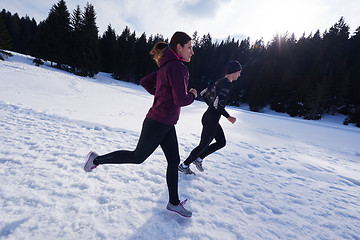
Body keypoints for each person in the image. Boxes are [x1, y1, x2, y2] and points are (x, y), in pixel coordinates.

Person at [83, 31, 197, 218]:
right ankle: (95, 160)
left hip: (166, 123)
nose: (192, 52)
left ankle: (174, 202)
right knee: (137, 157)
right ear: (179, 47)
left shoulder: (166, 66)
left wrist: (162, 96)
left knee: (174, 161)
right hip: (158, 122)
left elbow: (145, 82)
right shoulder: (178, 67)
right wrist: (192, 95)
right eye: (190, 48)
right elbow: (180, 100)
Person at [178, 60, 242, 175]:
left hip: (211, 118)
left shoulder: (220, 81)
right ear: (234, 72)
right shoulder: (226, 84)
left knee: (221, 142)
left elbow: (204, 93)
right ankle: (184, 165)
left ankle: (199, 159)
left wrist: (212, 106)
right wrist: (229, 117)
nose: (239, 75)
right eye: (239, 72)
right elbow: (217, 104)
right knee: (203, 145)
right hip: (211, 120)